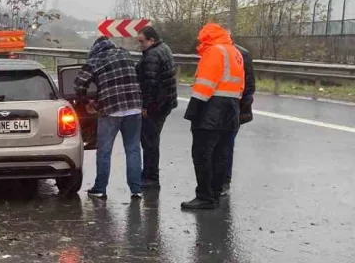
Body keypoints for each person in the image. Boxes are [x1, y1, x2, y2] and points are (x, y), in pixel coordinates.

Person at [180, 23, 245, 210]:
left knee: (202, 154)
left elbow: (204, 85)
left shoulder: (214, 52)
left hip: (211, 109)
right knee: (221, 155)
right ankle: (215, 193)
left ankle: (204, 196)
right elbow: (240, 85)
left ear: (207, 37)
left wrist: (193, 111)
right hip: (231, 109)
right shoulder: (235, 52)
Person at [73, 37, 144, 200]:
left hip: (110, 109)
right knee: (133, 149)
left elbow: (78, 84)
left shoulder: (96, 59)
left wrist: (87, 102)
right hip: (134, 107)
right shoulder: (125, 54)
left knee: (104, 151)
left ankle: (100, 189)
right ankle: (136, 189)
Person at [135, 25, 179, 190]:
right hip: (165, 103)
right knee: (152, 140)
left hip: (155, 106)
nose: (140, 45)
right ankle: (149, 173)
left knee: (149, 141)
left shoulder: (152, 55)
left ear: (151, 40)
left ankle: (150, 177)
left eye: (142, 41)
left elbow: (150, 84)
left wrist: (145, 106)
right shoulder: (163, 47)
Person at [220, 41, 256, 196]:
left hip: (233, 108)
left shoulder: (239, 54)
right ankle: (221, 182)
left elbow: (248, 86)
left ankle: (223, 182)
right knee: (224, 146)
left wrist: (241, 108)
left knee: (226, 146)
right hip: (231, 108)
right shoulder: (240, 53)